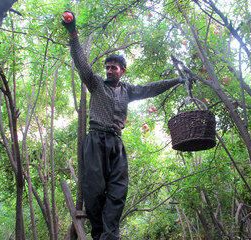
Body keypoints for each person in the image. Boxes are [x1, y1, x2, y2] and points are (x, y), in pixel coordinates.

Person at [62, 11, 187, 240]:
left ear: (122, 71)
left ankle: (110, 235)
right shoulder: (96, 84)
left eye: (114, 68)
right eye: (107, 67)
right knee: (95, 190)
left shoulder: (127, 90)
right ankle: (100, 234)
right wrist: (73, 35)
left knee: (118, 189)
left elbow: (151, 88)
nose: (109, 70)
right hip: (96, 140)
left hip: (116, 143)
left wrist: (176, 81)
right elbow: (81, 63)